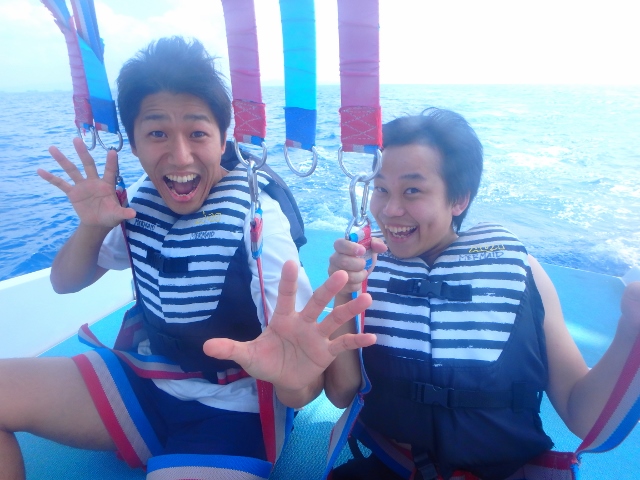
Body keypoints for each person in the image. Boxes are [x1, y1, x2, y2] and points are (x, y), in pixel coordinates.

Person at [0, 36, 372, 480]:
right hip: (143, 381)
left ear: (222, 138)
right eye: (157, 133)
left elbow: (302, 384)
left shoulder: (257, 221)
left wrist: (294, 384)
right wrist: (92, 226)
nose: (179, 156)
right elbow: (65, 283)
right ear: (134, 143)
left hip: (235, 408)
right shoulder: (139, 203)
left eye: (197, 133)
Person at [207, 108, 640, 480]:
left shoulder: (521, 273)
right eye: (381, 189)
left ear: (459, 199)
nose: (390, 209)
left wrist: (630, 331)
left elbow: (581, 411)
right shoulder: (363, 270)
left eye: (412, 190)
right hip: (388, 468)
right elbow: (342, 394)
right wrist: (343, 296)